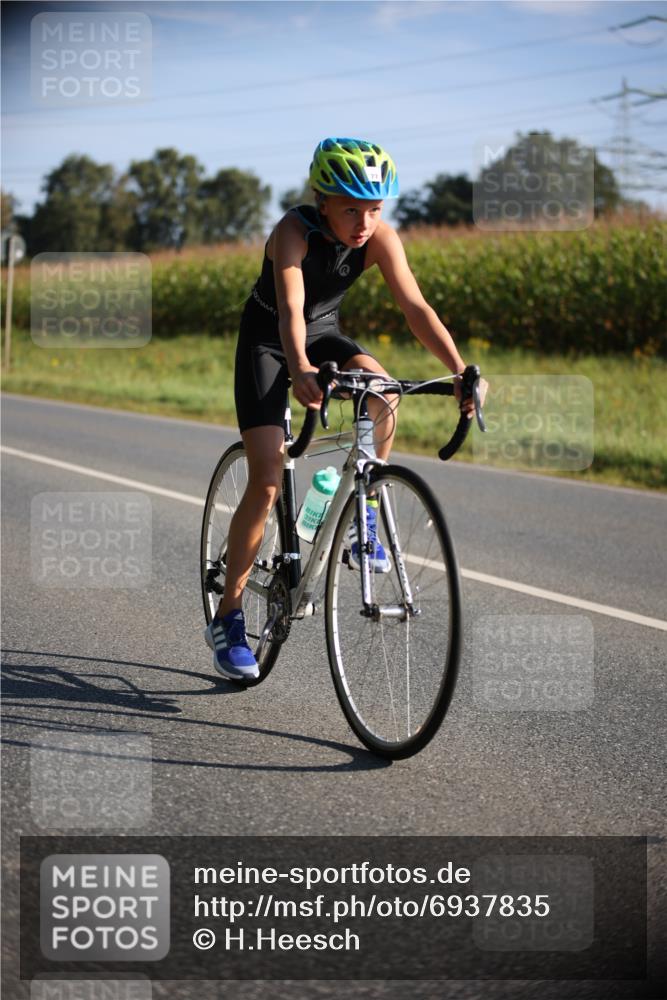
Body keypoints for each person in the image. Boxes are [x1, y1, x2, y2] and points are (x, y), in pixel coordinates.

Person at [206, 137, 485, 681]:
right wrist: (301, 370)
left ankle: (366, 514)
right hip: (268, 342)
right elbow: (289, 312)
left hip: (325, 333)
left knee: (383, 394)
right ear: (323, 200)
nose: (364, 222)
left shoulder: (379, 237)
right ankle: (229, 616)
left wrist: (459, 371)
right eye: (352, 208)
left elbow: (415, 306)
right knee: (266, 477)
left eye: (375, 209)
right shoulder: (293, 232)